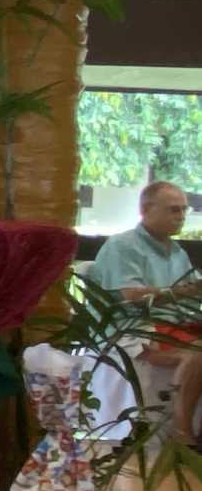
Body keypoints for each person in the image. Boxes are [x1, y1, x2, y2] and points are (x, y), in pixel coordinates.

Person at [89, 181, 201, 444]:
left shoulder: (177, 252)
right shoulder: (122, 245)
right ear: (146, 209)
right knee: (197, 353)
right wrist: (180, 292)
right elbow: (131, 296)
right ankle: (182, 434)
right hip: (134, 328)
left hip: (174, 327)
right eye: (173, 209)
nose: (181, 216)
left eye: (183, 210)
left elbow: (192, 295)